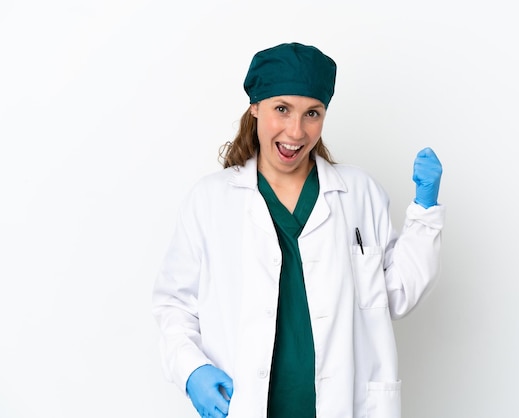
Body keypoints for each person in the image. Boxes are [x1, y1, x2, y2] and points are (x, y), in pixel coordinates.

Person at [152, 42, 444, 418]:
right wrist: (191, 369)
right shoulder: (210, 200)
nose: (296, 130)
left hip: (345, 404)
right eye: (281, 109)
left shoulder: (358, 193)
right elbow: (174, 304)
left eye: (312, 113)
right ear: (255, 107)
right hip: (247, 404)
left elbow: (397, 294)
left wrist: (425, 211)